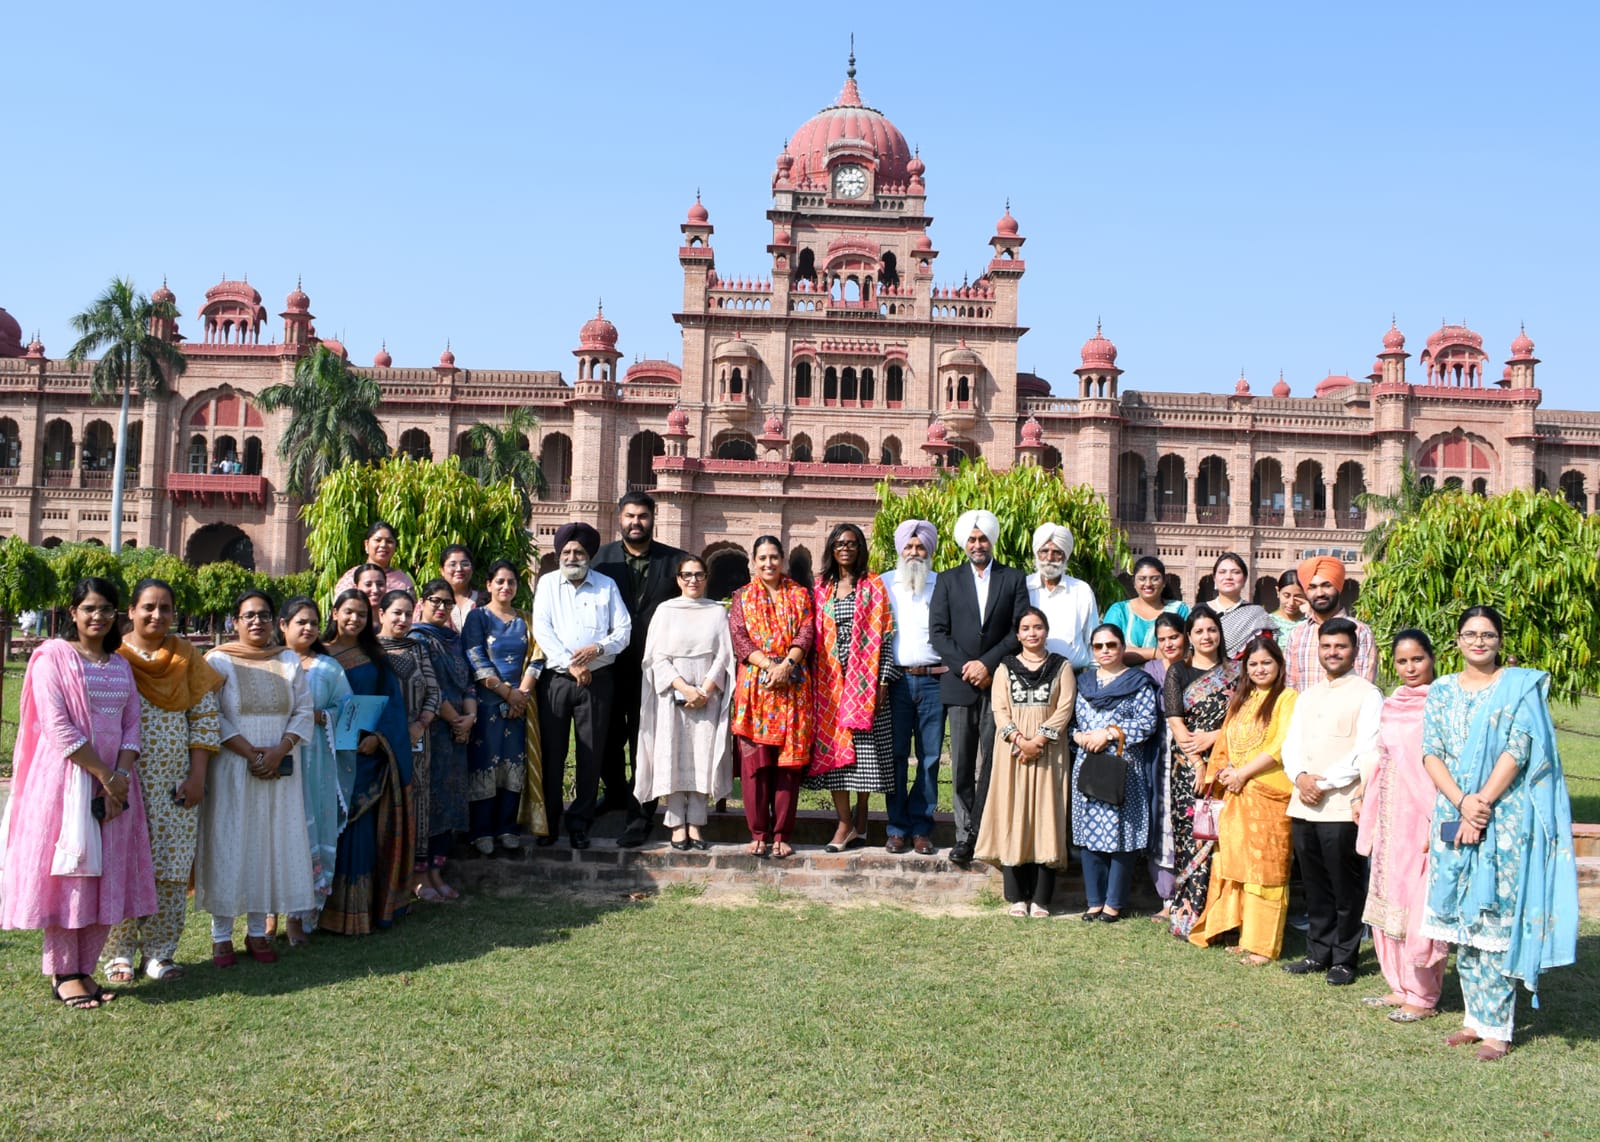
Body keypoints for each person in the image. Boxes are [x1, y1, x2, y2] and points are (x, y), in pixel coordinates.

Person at [1419, 606, 1578, 1062]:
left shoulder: (1518, 687)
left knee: (1493, 917)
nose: (1479, 642)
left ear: (1500, 641)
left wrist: (1481, 803)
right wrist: (1461, 802)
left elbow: (1518, 749)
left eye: (1488, 635)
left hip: (1502, 817)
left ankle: (1497, 1029)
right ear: (1457, 640)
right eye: (1470, 634)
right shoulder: (1441, 689)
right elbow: (1430, 751)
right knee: (1460, 919)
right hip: (1453, 811)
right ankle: (1474, 1018)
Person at [0, 577, 154, 1010]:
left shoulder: (120, 664)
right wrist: (105, 775)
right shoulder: (52, 657)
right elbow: (57, 726)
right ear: (72, 612)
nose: (97, 616)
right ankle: (63, 973)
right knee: (72, 875)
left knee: (106, 875)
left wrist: (120, 775)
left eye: (105, 609)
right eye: (89, 608)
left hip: (117, 786)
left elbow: (132, 724)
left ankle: (85, 969)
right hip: (68, 782)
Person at [102, 578, 223, 983]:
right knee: (122, 864)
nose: (157, 615)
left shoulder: (186, 657)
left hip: (176, 785)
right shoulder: (114, 658)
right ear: (131, 611)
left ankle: (159, 953)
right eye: (148, 607)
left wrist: (197, 777)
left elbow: (204, 719)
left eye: (165, 608)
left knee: (171, 869)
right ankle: (118, 953)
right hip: (125, 781)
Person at [197, 591, 315, 966]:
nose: (256, 622)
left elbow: (304, 710)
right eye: (248, 615)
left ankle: (258, 932)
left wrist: (279, 750)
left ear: (274, 621)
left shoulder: (287, 659)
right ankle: (220, 935)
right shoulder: (217, 660)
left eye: (264, 615)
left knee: (267, 844)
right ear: (235, 621)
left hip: (279, 769)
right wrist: (251, 753)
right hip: (233, 767)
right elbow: (210, 714)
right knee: (229, 844)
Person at [1279, 616, 1383, 985]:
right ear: (1318, 650)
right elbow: (1291, 744)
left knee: (1345, 886)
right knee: (1314, 883)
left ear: (1354, 651)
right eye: (1326, 646)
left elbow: (1366, 750)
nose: (1333, 652)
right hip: (1304, 802)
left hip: (1341, 804)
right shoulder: (1307, 695)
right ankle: (1317, 952)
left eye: (1340, 646)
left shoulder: (1368, 695)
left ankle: (1344, 959)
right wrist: (1300, 778)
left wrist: (1324, 783)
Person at [1188, 636, 1299, 963]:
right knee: (1238, 865)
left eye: (1266, 663)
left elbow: (1281, 745)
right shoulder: (1243, 699)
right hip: (1237, 795)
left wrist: (1244, 773)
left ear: (1279, 665)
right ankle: (1244, 934)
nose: (1260, 669)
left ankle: (1262, 946)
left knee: (1266, 869)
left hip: (1269, 795)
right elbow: (1225, 742)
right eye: (1253, 664)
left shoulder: (1288, 698)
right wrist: (1222, 772)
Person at [930, 509, 1031, 867]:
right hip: (960, 684)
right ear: (964, 543)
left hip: (998, 682)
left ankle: (986, 832)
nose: (977, 544)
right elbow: (938, 632)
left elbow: (1018, 630)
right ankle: (964, 836)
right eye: (972, 539)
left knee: (992, 761)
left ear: (992, 541)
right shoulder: (948, 579)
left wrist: (987, 664)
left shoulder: (1012, 578)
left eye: (983, 538)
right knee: (960, 764)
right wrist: (967, 667)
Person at [1356, 630, 1448, 1021]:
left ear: (1432, 659)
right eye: (1402, 661)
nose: (1410, 668)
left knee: (1417, 905)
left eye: (1417, 659)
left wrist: (1438, 820)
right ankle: (1398, 985)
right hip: (1389, 812)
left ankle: (1423, 996)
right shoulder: (1392, 704)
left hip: (1423, 814)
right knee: (1387, 899)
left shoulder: (1443, 703)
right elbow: (1383, 757)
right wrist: (1366, 801)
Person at [592, 491, 687, 847]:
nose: (636, 522)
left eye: (642, 516)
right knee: (606, 737)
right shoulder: (601, 560)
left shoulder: (674, 561)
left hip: (653, 669)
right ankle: (615, 793)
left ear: (653, 519)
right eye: (630, 516)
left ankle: (640, 812)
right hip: (609, 665)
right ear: (620, 518)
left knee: (644, 742)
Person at [319, 588, 415, 935]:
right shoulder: (317, 653)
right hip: (321, 753)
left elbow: (392, 705)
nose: (354, 619)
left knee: (357, 830)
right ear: (334, 613)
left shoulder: (375, 658)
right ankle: (313, 911)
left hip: (363, 757)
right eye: (348, 612)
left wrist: (378, 738)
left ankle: (356, 912)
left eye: (362, 614)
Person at [532, 521, 632, 850]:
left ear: (588, 555)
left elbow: (623, 630)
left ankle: (580, 823)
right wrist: (571, 665)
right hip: (557, 681)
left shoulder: (606, 586)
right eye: (566, 551)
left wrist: (599, 649)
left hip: (597, 681)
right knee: (553, 753)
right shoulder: (547, 584)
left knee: (591, 753)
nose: (572, 557)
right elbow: (542, 630)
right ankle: (548, 822)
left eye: (578, 552)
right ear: (559, 554)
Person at [978, 608, 1075, 916]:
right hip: (1013, 752)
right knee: (1013, 811)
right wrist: (1020, 740)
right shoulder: (1005, 667)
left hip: (1050, 751)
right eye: (1026, 628)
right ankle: (1017, 896)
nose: (1032, 633)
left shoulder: (1061, 667)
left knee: (1047, 814)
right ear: (1018, 634)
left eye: (1038, 627)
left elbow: (1065, 708)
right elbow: (1000, 709)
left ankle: (1042, 899)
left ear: (1046, 630)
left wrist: (1039, 741)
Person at [805, 522, 896, 851]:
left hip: (865, 681)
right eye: (840, 543)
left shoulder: (873, 585)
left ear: (860, 548)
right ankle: (844, 823)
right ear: (831, 548)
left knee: (865, 755)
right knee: (835, 755)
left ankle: (862, 814)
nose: (845, 548)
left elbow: (886, 636)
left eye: (852, 543)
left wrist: (883, 680)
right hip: (829, 683)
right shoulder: (820, 588)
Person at [633, 555, 734, 849]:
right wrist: (684, 689)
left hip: (707, 695)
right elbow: (656, 657)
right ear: (678, 579)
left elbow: (724, 656)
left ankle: (697, 824)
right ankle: (676, 823)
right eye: (687, 575)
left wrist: (704, 689)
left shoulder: (717, 612)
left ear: (706, 577)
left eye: (699, 574)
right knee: (672, 755)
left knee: (703, 755)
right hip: (672, 695)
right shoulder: (666, 611)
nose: (693, 580)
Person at [729, 535, 814, 859]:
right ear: (753, 562)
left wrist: (786, 665)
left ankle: (781, 834)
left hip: (792, 687)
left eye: (774, 557)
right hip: (756, 688)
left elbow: (806, 632)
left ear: (783, 560)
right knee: (757, 766)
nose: (768, 563)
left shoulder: (800, 594)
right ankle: (758, 833)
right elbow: (740, 637)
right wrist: (770, 667)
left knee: (788, 768)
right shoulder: (742, 597)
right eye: (762, 558)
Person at [1070, 622, 1160, 922]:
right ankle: (1094, 900)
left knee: (1122, 833)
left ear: (1122, 648)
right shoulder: (1084, 683)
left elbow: (1147, 723)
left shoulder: (1138, 682)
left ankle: (1114, 902)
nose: (1105, 651)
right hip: (1088, 765)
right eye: (1098, 646)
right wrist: (1079, 736)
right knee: (1089, 832)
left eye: (1111, 645)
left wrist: (1109, 733)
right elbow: (1072, 722)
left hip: (1123, 769)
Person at [277, 596, 352, 940]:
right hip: (274, 761)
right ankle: (267, 915)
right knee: (274, 833)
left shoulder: (328, 668)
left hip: (315, 761)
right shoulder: (268, 663)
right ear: (283, 625)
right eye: (301, 622)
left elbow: (347, 712)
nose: (308, 628)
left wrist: (321, 716)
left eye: (313, 623)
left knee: (307, 833)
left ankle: (300, 915)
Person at [1163, 605, 1238, 938]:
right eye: (1199, 631)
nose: (1206, 636)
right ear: (1189, 637)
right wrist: (1199, 763)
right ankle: (1189, 913)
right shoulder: (1178, 672)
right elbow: (1176, 723)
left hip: (1229, 764)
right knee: (1191, 836)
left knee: (1225, 838)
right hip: (1188, 768)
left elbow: (1246, 720)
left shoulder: (1237, 672)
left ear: (1219, 633)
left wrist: (1215, 737)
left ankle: (1222, 917)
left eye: (1211, 630)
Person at [461, 561, 543, 852]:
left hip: (520, 705)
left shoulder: (526, 619)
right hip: (487, 703)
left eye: (511, 582)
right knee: (485, 761)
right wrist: (507, 693)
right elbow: (475, 657)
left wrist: (522, 694)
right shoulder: (478, 617)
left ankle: (508, 827)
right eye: (500, 581)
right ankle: (481, 830)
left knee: (513, 762)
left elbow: (537, 656)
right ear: (489, 585)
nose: (505, 587)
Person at [880, 519, 944, 856]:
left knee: (930, 758)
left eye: (920, 547)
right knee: (896, 756)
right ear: (900, 549)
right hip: (896, 682)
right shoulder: (884, 583)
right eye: (909, 546)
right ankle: (896, 828)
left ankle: (921, 827)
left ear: (929, 550)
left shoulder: (942, 584)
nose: (915, 552)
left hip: (934, 681)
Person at [410, 578, 475, 898]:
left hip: (456, 734)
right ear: (421, 603)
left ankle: (437, 871)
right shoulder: (417, 639)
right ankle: (419, 875)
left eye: (447, 603)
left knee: (450, 801)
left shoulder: (454, 640)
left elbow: (469, 682)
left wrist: (469, 718)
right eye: (434, 601)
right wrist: (455, 720)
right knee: (427, 801)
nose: (441, 607)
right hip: (430, 731)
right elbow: (428, 684)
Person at [377, 589, 443, 902]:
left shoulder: (418, 649)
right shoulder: (370, 650)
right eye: (396, 613)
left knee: (417, 803)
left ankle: (415, 876)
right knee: (384, 802)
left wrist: (420, 724)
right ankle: (384, 880)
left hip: (418, 739)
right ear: (381, 614)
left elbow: (434, 691)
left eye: (407, 613)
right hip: (380, 743)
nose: (403, 619)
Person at [1145, 612, 1188, 913]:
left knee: (1187, 818)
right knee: (1161, 817)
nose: (1168, 644)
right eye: (1162, 639)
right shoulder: (1150, 671)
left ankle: (1191, 894)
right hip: (1158, 750)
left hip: (1190, 748)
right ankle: (1167, 897)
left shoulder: (1196, 668)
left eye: (1174, 637)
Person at [1286, 555, 1376, 690]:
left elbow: (1364, 686)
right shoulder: (1297, 634)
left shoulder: (1360, 631)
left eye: (1327, 585)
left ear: (1338, 587)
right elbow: (1290, 686)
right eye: (1312, 587)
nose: (1319, 593)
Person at [1024, 522, 1099, 669]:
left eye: (1057, 552)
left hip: (1074, 675)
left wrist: (1093, 675)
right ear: (1037, 554)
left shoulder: (1081, 590)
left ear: (1065, 556)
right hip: (1029, 675)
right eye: (1044, 551)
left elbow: (1092, 638)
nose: (1049, 558)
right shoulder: (1023, 587)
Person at [1103, 555, 1188, 667]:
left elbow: (1189, 648)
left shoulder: (1179, 609)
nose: (1148, 584)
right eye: (1142, 579)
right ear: (1134, 582)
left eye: (1155, 579)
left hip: (1171, 674)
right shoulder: (1119, 611)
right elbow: (1109, 650)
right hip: (1126, 676)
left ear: (1164, 582)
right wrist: (1155, 653)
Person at [1204, 553, 1275, 662]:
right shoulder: (1200, 611)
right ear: (1214, 578)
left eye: (1236, 572)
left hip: (1244, 671)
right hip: (1200, 671)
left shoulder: (1257, 615)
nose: (1228, 577)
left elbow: (1266, 653)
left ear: (1245, 579)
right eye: (1222, 572)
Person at [335, 520, 416, 596]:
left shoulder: (403, 580)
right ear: (366, 544)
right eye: (378, 540)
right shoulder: (352, 577)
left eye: (389, 541)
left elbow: (412, 605)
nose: (383, 545)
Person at [439, 545, 484, 631]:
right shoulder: (431, 601)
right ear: (442, 570)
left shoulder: (485, 600)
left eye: (465, 564)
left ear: (472, 569)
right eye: (452, 564)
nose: (459, 569)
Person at [1268, 568, 1307, 642]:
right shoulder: (1268, 622)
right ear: (1278, 592)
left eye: (1298, 597)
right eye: (1286, 596)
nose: (1291, 603)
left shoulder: (1310, 622)